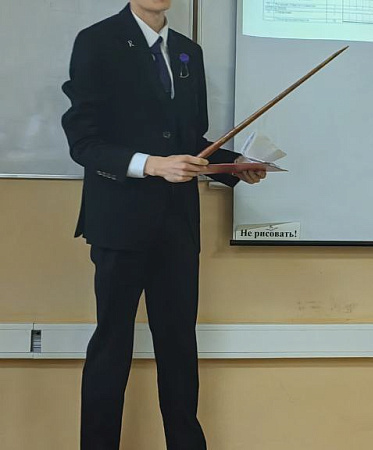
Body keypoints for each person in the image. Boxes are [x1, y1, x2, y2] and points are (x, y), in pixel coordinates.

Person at [61, 1, 265, 448]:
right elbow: (84, 142)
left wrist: (234, 164)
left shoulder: (189, 50)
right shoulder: (97, 41)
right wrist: (152, 165)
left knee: (179, 348)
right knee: (112, 346)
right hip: (119, 223)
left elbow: (191, 140)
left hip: (177, 225)